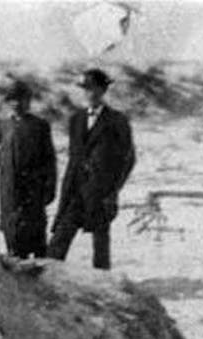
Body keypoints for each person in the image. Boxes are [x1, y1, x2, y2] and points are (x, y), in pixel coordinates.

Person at [48, 68, 135, 270]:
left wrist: (113, 190)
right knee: (59, 239)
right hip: (75, 190)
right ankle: (48, 282)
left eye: (94, 88)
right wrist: (67, 187)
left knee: (101, 247)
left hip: (101, 191)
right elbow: (74, 157)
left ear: (103, 90)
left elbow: (128, 159)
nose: (90, 93)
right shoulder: (76, 119)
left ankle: (104, 288)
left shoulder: (117, 120)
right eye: (86, 89)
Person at [0, 80, 57, 259]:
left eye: (21, 99)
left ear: (28, 101)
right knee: (13, 233)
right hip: (10, 189)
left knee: (36, 235)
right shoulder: (3, 125)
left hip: (33, 188)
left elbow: (49, 159)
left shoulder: (40, 126)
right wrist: (4, 163)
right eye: (13, 100)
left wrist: (50, 187)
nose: (17, 104)